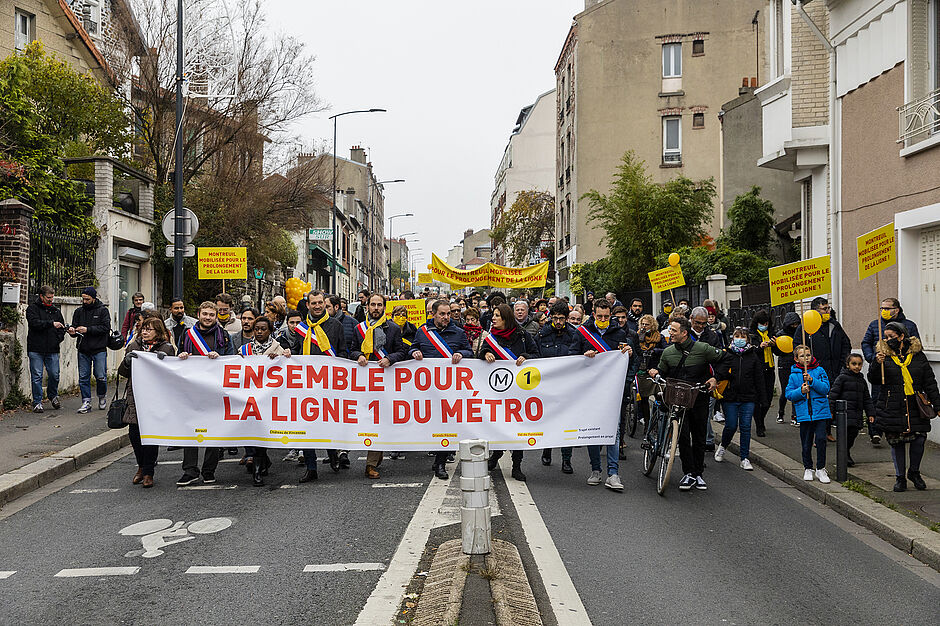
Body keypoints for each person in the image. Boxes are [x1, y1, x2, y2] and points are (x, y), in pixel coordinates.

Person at [647, 316, 725, 491]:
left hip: (699, 398)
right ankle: (688, 472)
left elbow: (725, 359)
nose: (670, 333)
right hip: (677, 399)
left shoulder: (703, 349)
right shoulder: (668, 353)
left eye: (673, 331)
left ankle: (698, 474)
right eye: (670, 330)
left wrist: (715, 377)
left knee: (699, 436)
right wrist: (655, 372)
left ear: (684, 333)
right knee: (682, 436)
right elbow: (662, 371)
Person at [282, 290, 348, 482]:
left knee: (327, 422)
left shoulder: (336, 325)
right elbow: (296, 350)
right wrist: (289, 353)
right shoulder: (302, 328)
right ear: (308, 305)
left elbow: (343, 350)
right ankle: (311, 467)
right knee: (306, 424)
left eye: (320, 302)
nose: (317, 306)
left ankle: (332, 451)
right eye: (314, 303)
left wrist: (335, 366)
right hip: (306, 383)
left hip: (330, 383)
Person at [868, 322, 940, 492]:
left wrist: (937, 404)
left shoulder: (917, 356)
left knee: (919, 440)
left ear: (901, 337)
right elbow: (874, 379)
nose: (887, 340)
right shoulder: (882, 355)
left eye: (891, 337)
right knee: (896, 443)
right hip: (892, 405)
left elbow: (929, 382)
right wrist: (877, 364)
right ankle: (900, 477)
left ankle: (914, 472)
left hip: (916, 404)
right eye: (885, 337)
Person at [410, 299, 474, 480]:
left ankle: (440, 462)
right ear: (434, 314)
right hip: (428, 388)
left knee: (447, 425)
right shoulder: (422, 332)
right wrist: (414, 352)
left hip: (451, 388)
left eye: (449, 314)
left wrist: (462, 354)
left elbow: (469, 352)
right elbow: (413, 348)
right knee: (431, 423)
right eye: (442, 314)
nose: (447, 317)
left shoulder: (459, 333)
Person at [572, 298, 631, 491]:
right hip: (590, 389)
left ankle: (613, 473)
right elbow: (571, 358)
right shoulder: (582, 332)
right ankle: (596, 470)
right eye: (600, 316)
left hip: (612, 389)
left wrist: (629, 353)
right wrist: (584, 357)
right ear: (593, 314)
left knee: (613, 431)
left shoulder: (620, 332)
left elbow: (630, 359)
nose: (603, 319)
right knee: (593, 431)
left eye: (607, 316)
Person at [175, 301, 234, 485]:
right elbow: (178, 356)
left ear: (216, 317)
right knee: (190, 430)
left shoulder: (224, 336)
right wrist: (183, 356)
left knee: (214, 432)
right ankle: (190, 470)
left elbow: (232, 361)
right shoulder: (187, 334)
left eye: (211, 315)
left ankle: (209, 470)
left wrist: (220, 358)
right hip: (192, 390)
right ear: (198, 314)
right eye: (205, 314)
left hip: (215, 390)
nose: (208, 317)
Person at [351, 294, 410, 479]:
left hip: (385, 381)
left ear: (384, 307)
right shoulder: (359, 328)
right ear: (367, 306)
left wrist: (389, 358)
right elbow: (351, 349)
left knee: (379, 420)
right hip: (365, 382)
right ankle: (373, 459)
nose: (376, 308)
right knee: (370, 421)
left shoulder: (392, 328)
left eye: (379, 305)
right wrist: (358, 356)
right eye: (373, 305)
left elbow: (402, 351)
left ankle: (371, 461)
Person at [482, 304, 541, 481]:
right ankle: (497, 453)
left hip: (519, 390)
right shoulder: (491, 337)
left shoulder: (523, 336)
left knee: (517, 428)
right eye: (493, 315)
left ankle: (517, 465)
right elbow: (479, 355)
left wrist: (526, 357)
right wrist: (485, 354)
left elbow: (536, 354)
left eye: (497, 316)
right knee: (500, 425)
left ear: (506, 319)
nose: (493, 318)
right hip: (498, 391)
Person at [119, 316, 176, 489]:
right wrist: (127, 362)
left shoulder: (166, 348)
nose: (144, 332)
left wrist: (165, 361)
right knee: (134, 434)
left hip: (155, 397)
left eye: (149, 329)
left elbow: (172, 373)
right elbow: (123, 372)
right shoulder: (133, 346)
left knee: (150, 434)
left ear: (158, 332)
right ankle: (141, 466)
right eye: (143, 328)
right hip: (135, 395)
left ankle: (149, 472)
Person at [238, 316, 289, 486]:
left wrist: (284, 357)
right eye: (256, 329)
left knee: (262, 433)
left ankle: (260, 467)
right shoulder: (244, 350)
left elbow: (288, 371)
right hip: (250, 399)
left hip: (270, 399)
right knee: (253, 433)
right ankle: (260, 467)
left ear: (270, 331)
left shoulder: (279, 349)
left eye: (263, 329)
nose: (259, 332)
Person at [861, 298, 920, 446]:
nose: (884, 311)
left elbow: (915, 344)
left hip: (901, 369)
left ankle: (898, 429)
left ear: (897, 310)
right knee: (877, 399)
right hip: (882, 368)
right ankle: (875, 431)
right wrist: (872, 358)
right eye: (882, 309)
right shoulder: (875, 325)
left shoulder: (909, 326)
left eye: (887, 308)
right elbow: (866, 343)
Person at [714, 328, 768, 471]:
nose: (740, 339)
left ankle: (744, 458)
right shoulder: (727, 354)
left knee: (745, 427)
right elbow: (719, 372)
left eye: (743, 337)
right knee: (731, 425)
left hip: (748, 396)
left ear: (748, 340)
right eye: (737, 336)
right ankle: (723, 445)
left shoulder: (753, 356)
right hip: (730, 397)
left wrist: (763, 398)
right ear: (732, 338)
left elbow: (759, 378)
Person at [538, 302, 582, 473]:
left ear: (566, 318)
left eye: (561, 318)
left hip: (567, 386)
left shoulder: (574, 334)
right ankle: (547, 448)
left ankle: (566, 459)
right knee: (548, 420)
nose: (557, 322)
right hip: (547, 385)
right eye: (555, 318)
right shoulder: (543, 334)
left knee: (567, 422)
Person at [785, 344, 832, 483]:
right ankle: (808, 467)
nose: (806, 358)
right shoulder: (794, 375)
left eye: (808, 355)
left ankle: (821, 468)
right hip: (804, 414)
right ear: (796, 359)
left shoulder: (819, 370)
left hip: (820, 412)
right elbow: (789, 394)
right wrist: (801, 391)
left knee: (821, 440)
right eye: (802, 356)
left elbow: (825, 388)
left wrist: (812, 381)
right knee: (806, 442)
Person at [68, 287, 111, 414]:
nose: (85, 301)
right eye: (83, 299)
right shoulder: (79, 311)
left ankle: (102, 395)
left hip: (99, 348)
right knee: (83, 377)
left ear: (94, 298)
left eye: (87, 299)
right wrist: (72, 331)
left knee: (100, 376)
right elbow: (75, 327)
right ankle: (86, 401)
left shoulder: (103, 311)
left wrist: (88, 330)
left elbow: (105, 328)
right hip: (83, 349)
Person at [828, 354, 875, 468]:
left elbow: (866, 398)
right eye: (854, 364)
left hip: (856, 413)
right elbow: (833, 394)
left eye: (859, 364)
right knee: (845, 435)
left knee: (853, 435)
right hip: (844, 413)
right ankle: (845, 456)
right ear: (848, 365)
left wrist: (870, 413)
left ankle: (846, 452)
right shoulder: (842, 378)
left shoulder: (861, 380)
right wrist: (831, 410)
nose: (857, 367)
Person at [25, 285, 66, 412]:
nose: (51, 300)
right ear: (41, 296)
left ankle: (53, 395)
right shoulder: (32, 309)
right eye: (48, 297)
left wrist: (58, 338)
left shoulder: (55, 311)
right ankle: (37, 402)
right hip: (36, 348)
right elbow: (34, 323)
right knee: (37, 375)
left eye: (52, 297)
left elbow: (61, 328)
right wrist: (51, 324)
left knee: (54, 375)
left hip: (52, 348)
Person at [634, 313, 665, 436]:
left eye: (647, 324)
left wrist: (655, 351)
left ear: (652, 325)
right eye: (642, 324)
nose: (644, 326)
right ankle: (647, 423)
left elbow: (666, 350)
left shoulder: (659, 337)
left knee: (659, 396)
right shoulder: (637, 336)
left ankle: (656, 422)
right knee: (644, 398)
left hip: (654, 369)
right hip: (642, 370)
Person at [748, 310, 777, 438]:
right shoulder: (752, 335)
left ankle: (761, 419)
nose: (764, 325)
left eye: (766, 323)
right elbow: (750, 350)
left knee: (768, 399)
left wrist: (775, 344)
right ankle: (759, 425)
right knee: (758, 399)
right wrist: (760, 347)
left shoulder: (771, 334)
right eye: (761, 323)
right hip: (757, 370)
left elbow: (779, 351)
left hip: (769, 368)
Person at [773, 312, 801, 426]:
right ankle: (780, 413)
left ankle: (795, 415)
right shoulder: (781, 334)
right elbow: (777, 352)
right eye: (792, 324)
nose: (794, 326)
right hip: (784, 365)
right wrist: (776, 346)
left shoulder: (799, 333)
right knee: (785, 391)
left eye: (796, 324)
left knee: (796, 390)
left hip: (796, 364)